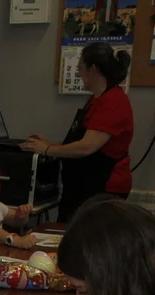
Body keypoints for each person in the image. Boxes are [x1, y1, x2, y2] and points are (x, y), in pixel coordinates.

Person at [22, 43, 134, 222]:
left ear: (94, 69)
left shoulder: (113, 101)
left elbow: (86, 147)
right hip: (82, 185)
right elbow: (80, 139)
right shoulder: (95, 100)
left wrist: (47, 150)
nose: (79, 73)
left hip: (101, 187)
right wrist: (49, 143)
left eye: (80, 67)